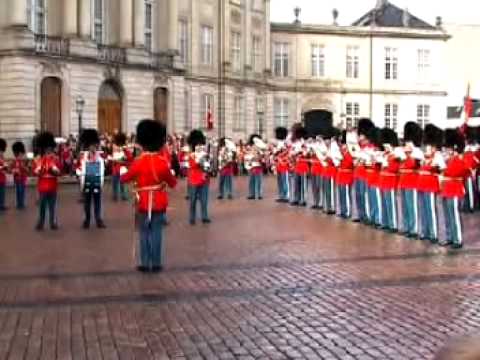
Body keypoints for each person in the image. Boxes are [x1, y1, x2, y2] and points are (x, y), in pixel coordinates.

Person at [120, 119, 177, 272]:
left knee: (144, 232)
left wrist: (123, 171)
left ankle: (145, 263)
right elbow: (173, 183)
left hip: (143, 201)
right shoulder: (162, 162)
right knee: (157, 232)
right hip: (158, 200)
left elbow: (124, 178)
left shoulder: (138, 162)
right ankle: (156, 263)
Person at [441, 129, 468, 249]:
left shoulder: (460, 160)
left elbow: (457, 173)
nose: (447, 150)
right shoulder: (448, 160)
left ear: (454, 148)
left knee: (455, 215)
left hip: (455, 189)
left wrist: (444, 170)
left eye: (448, 148)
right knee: (447, 215)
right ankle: (449, 237)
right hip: (447, 190)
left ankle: (457, 239)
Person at [418, 125, 445, 243]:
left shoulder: (438, 156)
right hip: (423, 185)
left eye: (429, 146)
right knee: (423, 209)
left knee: (430, 209)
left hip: (430, 185)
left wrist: (436, 167)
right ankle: (425, 231)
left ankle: (433, 233)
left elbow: (443, 169)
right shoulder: (425, 157)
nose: (427, 148)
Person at [397, 122, 423, 239]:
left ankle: (414, 229)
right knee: (405, 206)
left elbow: (416, 165)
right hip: (403, 181)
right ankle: (407, 227)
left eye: (408, 141)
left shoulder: (417, 152)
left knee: (412, 206)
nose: (406, 143)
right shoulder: (403, 152)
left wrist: (410, 154)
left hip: (412, 182)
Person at [77, 129, 106, 229]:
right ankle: (87, 220)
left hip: (97, 182)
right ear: (88, 146)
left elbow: (103, 167)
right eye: (91, 146)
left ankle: (98, 219)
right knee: (87, 203)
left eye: (94, 146)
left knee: (97, 202)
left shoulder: (100, 156)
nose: (93, 147)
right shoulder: (83, 157)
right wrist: (80, 174)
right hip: (87, 182)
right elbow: (78, 167)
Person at [33, 132, 61, 231]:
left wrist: (54, 171)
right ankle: (41, 222)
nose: (49, 151)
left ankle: (53, 222)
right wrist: (40, 170)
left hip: (52, 186)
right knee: (42, 207)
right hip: (43, 186)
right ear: (44, 149)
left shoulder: (56, 159)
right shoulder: (39, 160)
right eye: (47, 149)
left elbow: (59, 171)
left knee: (52, 207)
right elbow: (36, 171)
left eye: (50, 149)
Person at [187, 129, 211, 225]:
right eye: (197, 145)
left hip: (204, 180)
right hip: (194, 180)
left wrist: (208, 163)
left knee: (204, 200)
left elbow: (209, 166)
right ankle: (192, 218)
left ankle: (204, 216)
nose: (199, 146)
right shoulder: (191, 155)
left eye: (201, 144)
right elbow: (192, 165)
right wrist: (200, 161)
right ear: (194, 146)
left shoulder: (206, 154)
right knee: (192, 201)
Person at [378, 128, 400, 233]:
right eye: (385, 146)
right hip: (383, 181)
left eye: (387, 146)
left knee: (391, 204)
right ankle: (385, 223)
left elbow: (395, 169)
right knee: (384, 204)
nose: (385, 148)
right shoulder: (384, 155)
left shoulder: (395, 156)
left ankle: (393, 224)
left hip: (390, 181)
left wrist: (387, 163)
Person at [111, 133, 131, 201]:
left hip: (122, 168)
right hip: (116, 168)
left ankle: (123, 195)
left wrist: (123, 159)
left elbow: (129, 158)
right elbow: (113, 156)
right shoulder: (115, 146)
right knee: (115, 182)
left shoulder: (125, 149)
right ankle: (115, 195)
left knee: (122, 183)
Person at [246, 134, 266, 200]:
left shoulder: (260, 148)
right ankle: (252, 194)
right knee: (251, 181)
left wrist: (258, 156)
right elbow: (247, 156)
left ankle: (259, 194)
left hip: (258, 166)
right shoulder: (250, 148)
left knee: (259, 181)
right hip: (251, 166)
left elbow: (262, 157)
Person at [11, 141, 28, 210]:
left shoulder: (21, 161)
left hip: (22, 179)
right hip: (18, 179)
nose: (22, 155)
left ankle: (20, 204)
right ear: (19, 153)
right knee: (20, 192)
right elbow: (12, 169)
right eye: (21, 154)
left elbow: (25, 170)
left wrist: (25, 168)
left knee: (20, 192)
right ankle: (20, 204)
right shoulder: (16, 161)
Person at [0, 138, 7, 212]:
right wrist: (3, 168)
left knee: (2, 193)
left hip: (2, 179)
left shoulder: (2, 158)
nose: (2, 153)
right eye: (1, 151)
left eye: (2, 151)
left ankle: (2, 205)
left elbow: (5, 166)